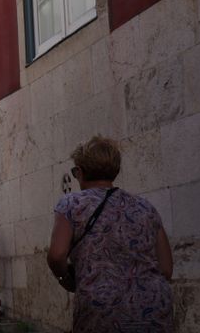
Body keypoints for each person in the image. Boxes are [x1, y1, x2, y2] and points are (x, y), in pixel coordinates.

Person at [47, 136, 173, 332]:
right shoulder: (146, 207)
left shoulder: (72, 204)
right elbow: (166, 269)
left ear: (80, 171)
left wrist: (65, 278)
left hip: (102, 311)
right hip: (154, 307)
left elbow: (56, 255)